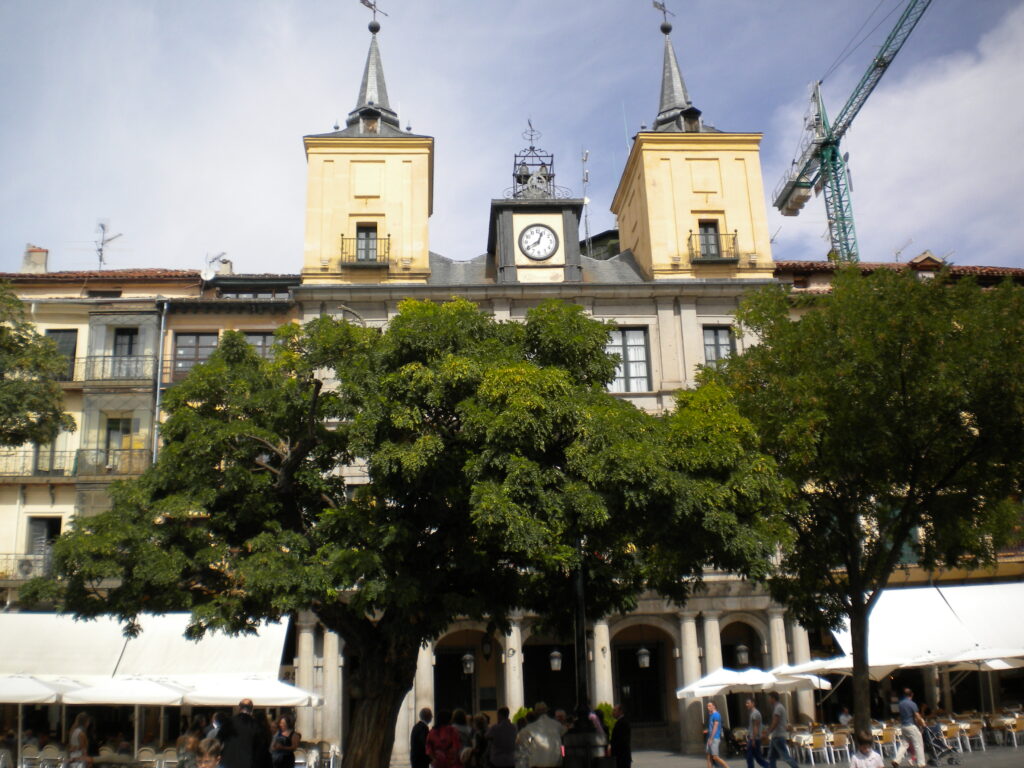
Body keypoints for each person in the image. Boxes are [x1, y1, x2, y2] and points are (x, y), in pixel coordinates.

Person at [219, 699, 271, 768]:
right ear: (252, 709)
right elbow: (260, 749)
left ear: (239, 708)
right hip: (247, 763)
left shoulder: (229, 722)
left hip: (227, 762)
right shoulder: (256, 725)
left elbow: (219, 740)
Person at [519, 702, 563, 768]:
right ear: (547, 711)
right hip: (555, 764)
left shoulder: (529, 729)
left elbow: (526, 747)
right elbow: (562, 745)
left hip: (537, 765)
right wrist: (563, 756)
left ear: (535, 713)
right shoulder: (557, 725)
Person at [892, 688, 925, 768]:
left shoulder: (901, 704)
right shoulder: (912, 704)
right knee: (918, 744)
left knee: (904, 744)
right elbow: (917, 716)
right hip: (911, 725)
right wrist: (923, 723)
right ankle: (921, 763)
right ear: (912, 694)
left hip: (903, 726)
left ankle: (896, 760)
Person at [766, 692, 798, 768]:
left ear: (773, 698)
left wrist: (768, 731)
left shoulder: (778, 708)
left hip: (778, 736)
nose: (768, 700)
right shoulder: (779, 707)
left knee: (785, 756)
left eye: (769, 698)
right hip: (775, 736)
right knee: (771, 757)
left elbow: (775, 721)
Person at [744, 698, 770, 768]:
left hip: (754, 738)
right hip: (753, 737)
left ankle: (769, 766)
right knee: (755, 757)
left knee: (752, 757)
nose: (746, 705)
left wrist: (753, 739)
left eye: (748, 703)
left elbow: (756, 727)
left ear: (753, 703)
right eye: (746, 703)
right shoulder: (752, 713)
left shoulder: (755, 713)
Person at [704, 701, 728, 768]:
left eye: (710, 706)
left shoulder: (716, 714)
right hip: (710, 737)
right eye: (707, 706)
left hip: (715, 738)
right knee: (708, 756)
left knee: (715, 757)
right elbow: (711, 727)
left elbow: (715, 726)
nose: (708, 707)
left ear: (714, 706)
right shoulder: (711, 715)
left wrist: (711, 738)